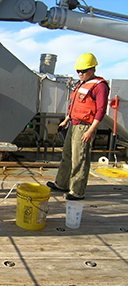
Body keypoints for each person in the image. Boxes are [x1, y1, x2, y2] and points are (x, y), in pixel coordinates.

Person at [47, 53, 109, 200]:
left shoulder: (100, 86)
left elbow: (101, 110)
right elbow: (75, 105)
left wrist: (91, 130)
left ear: (93, 69)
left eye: (84, 71)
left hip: (85, 127)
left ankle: (77, 191)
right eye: (78, 71)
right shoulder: (81, 84)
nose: (80, 74)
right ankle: (62, 184)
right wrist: (67, 119)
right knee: (67, 156)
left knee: (79, 159)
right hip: (73, 124)